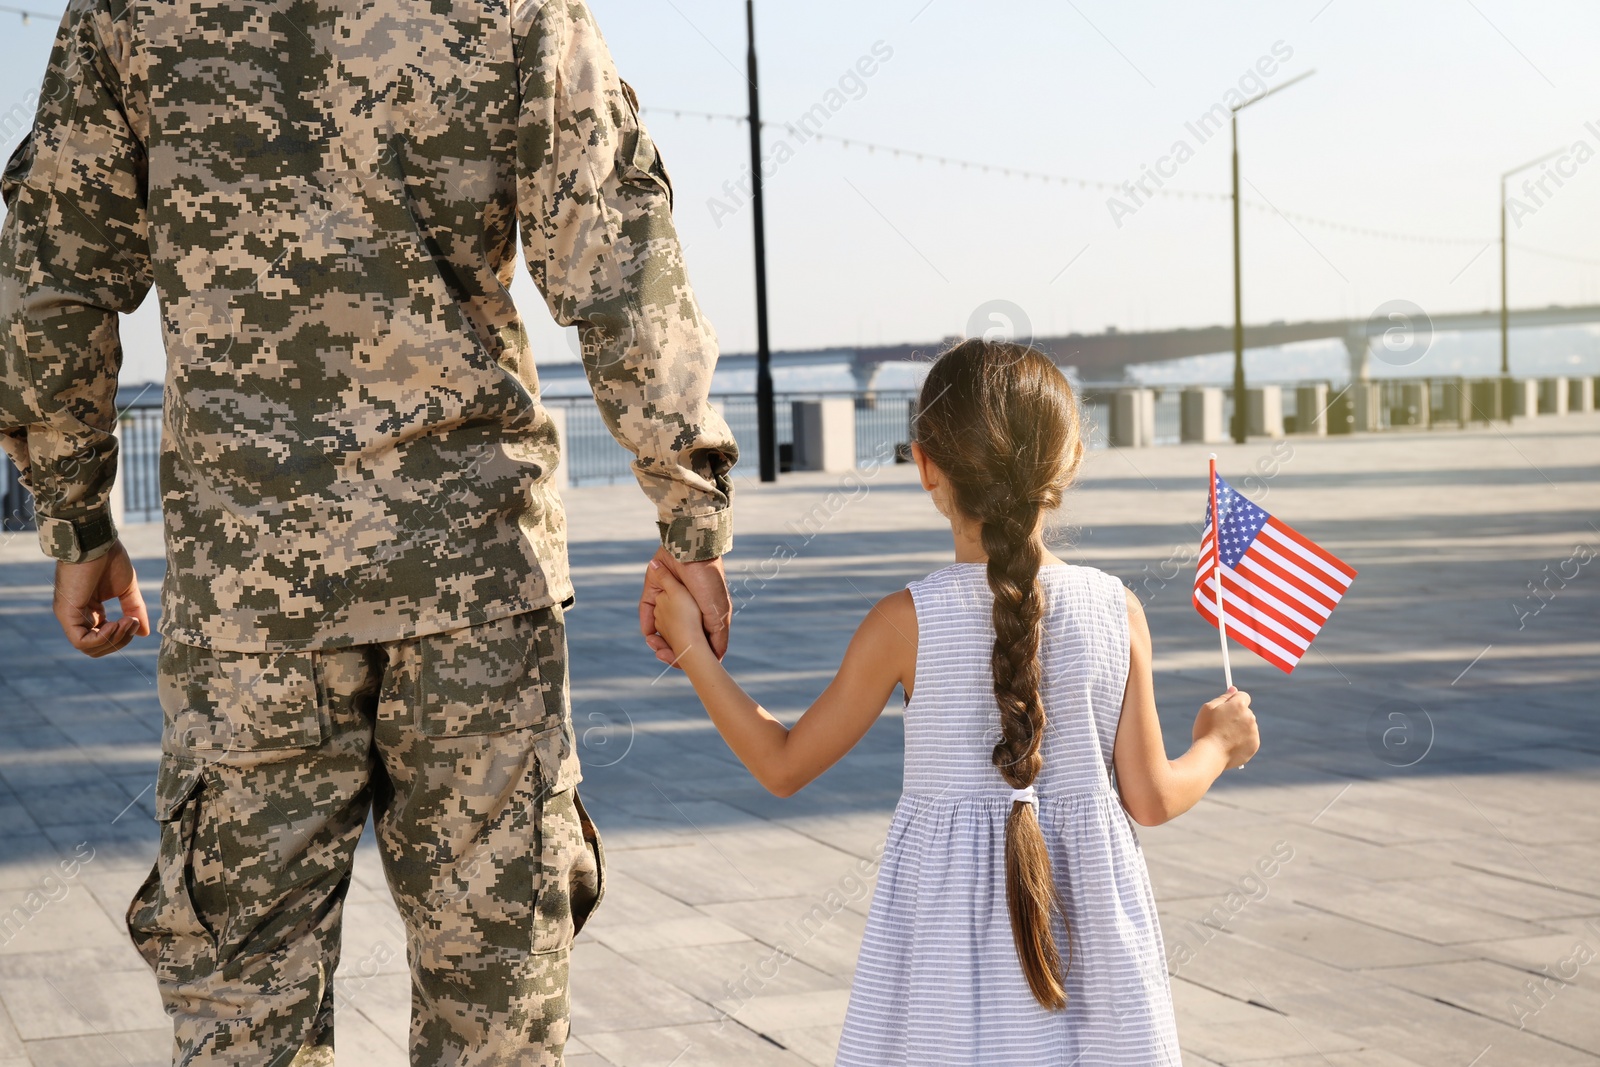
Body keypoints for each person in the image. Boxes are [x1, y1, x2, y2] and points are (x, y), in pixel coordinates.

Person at [0, 0, 737, 1062]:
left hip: (252, 601)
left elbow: (51, 277)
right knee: (497, 1019)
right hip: (479, 583)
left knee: (243, 1013)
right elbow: (616, 246)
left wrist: (76, 518)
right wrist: (689, 506)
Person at [647, 339, 1261, 1065]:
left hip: (944, 978)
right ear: (1068, 462)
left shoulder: (905, 622)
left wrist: (690, 643)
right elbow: (1152, 797)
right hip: (1097, 980)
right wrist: (1218, 744)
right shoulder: (1114, 609)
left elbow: (782, 765)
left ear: (926, 466)